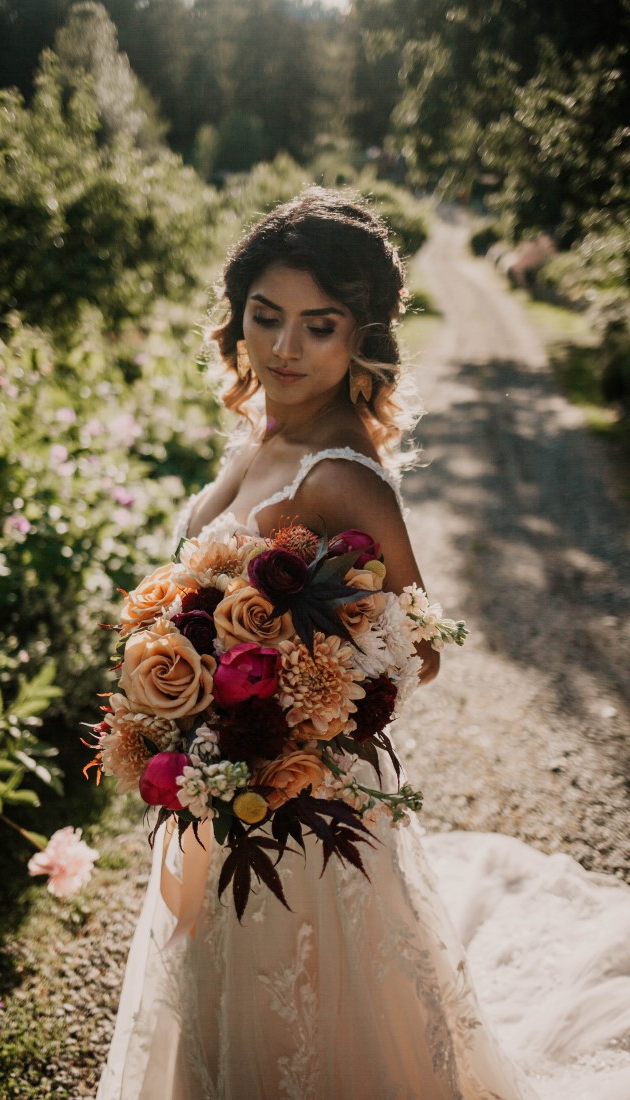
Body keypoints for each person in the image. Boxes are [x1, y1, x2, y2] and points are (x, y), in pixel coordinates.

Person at [96, 189, 630, 1100]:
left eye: (318, 325)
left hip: (304, 804)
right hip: (222, 785)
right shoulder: (258, 434)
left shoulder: (341, 476)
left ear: (358, 338)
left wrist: (289, 697)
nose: (283, 348)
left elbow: (417, 647)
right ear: (237, 318)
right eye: (265, 318)